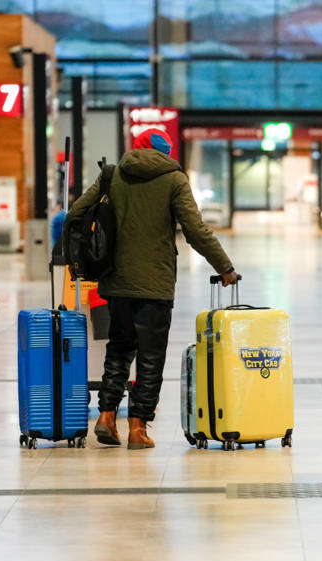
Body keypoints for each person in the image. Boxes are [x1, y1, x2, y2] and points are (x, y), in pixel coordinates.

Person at [68, 128, 240, 450]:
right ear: (167, 152)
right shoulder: (173, 180)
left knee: (119, 348)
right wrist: (225, 268)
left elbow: (77, 213)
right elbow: (195, 229)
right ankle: (137, 428)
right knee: (150, 355)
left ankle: (106, 416)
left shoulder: (113, 175)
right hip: (155, 283)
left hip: (116, 280)